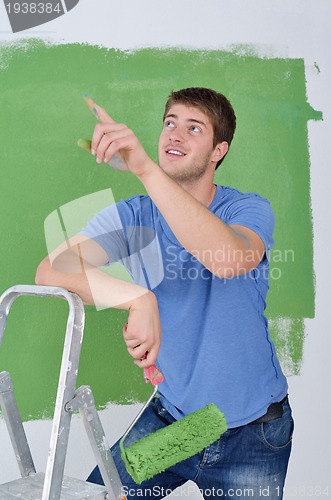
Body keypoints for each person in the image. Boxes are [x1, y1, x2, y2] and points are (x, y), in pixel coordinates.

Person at [35, 87, 293, 499]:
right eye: (170, 123)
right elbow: (51, 270)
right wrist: (138, 298)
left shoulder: (247, 210)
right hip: (180, 426)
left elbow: (226, 259)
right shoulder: (134, 216)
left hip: (253, 434)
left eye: (194, 128)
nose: (175, 134)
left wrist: (144, 168)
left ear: (217, 151)